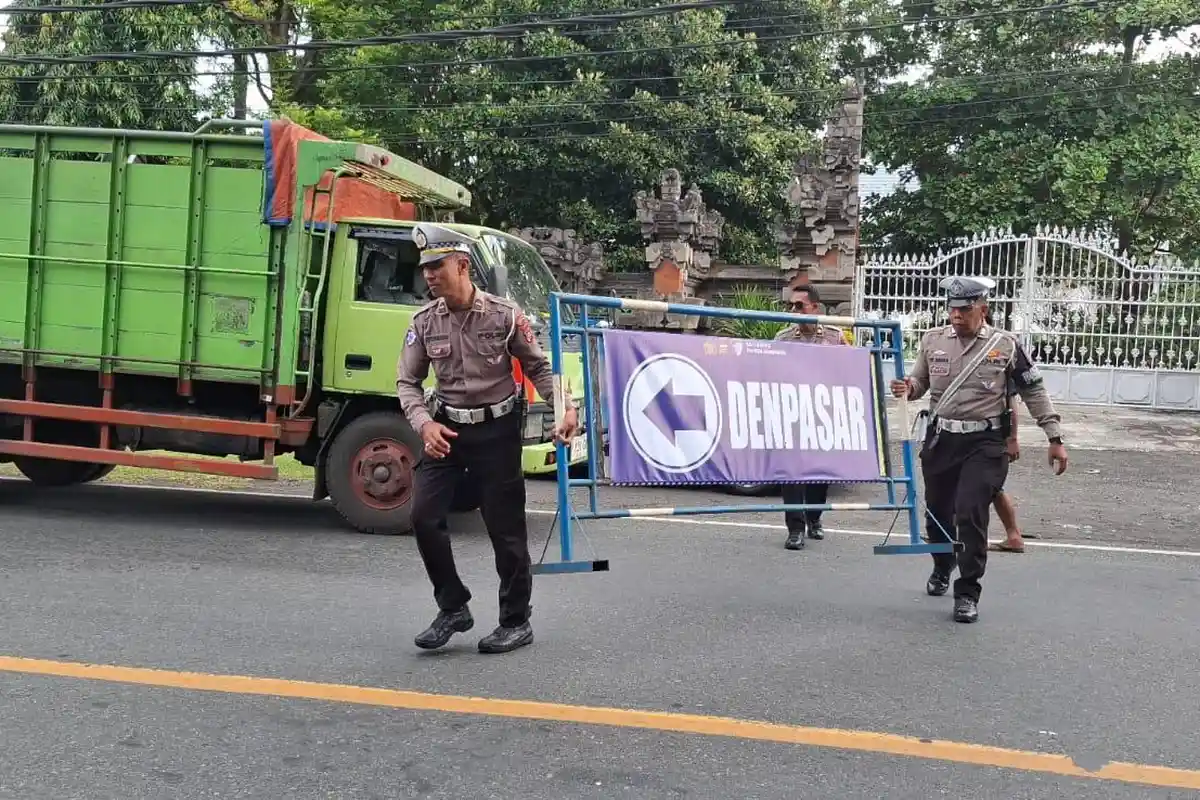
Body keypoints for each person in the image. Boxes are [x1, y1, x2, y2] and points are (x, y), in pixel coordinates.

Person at [396, 223, 579, 654]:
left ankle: (516, 621)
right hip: (445, 430)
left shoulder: (504, 314)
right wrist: (424, 424)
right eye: (425, 269)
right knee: (423, 516)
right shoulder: (423, 322)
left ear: (462, 265)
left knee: (506, 531)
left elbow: (538, 367)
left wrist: (565, 408)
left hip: (496, 432)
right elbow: (407, 381)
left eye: (437, 266)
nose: (429, 276)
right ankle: (453, 607)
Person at [889, 276, 1068, 623]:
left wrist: (1054, 438)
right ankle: (943, 564)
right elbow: (920, 383)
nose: (956, 315)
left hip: (985, 443)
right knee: (938, 515)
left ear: (982, 308)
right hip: (942, 441)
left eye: (965, 308)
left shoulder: (1007, 345)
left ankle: (968, 591)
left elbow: (1034, 391)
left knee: (970, 512)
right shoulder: (933, 340)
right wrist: (906, 387)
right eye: (952, 308)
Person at [774, 285, 849, 550]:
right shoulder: (783, 338)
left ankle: (813, 518)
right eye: (790, 306)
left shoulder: (834, 336)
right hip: (793, 415)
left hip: (823, 416)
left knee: (819, 476)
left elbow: (849, 372)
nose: (793, 311)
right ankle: (795, 529)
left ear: (814, 308)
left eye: (799, 306)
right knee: (792, 475)